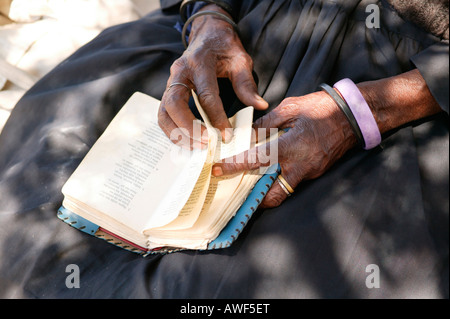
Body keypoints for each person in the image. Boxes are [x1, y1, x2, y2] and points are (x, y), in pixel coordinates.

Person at [0, 0, 448, 299]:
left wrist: (359, 113)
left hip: (411, 86)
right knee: (37, 188)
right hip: (243, 35)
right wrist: (208, 17)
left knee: (243, 283)